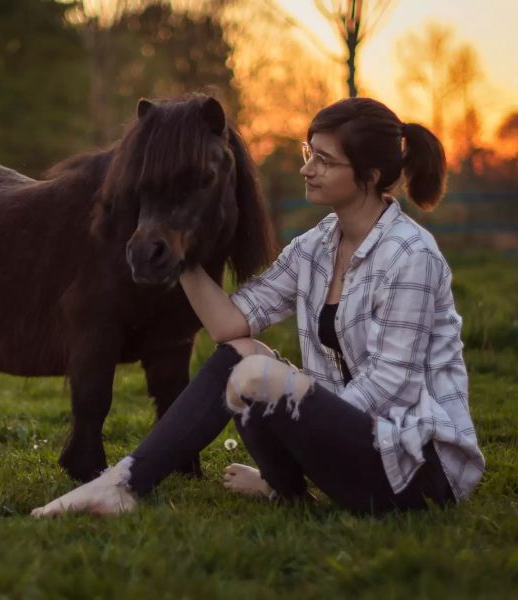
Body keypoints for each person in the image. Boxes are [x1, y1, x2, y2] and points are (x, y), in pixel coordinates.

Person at [31, 97, 485, 517]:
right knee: (240, 356)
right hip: (357, 454)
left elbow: (391, 387)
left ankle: (265, 483)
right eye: (310, 152)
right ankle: (127, 481)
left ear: (367, 177)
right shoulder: (316, 247)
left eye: (325, 161)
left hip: (419, 472)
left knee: (257, 375)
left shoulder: (410, 255)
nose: (308, 169)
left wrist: (297, 405)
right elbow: (230, 324)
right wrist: (176, 246)